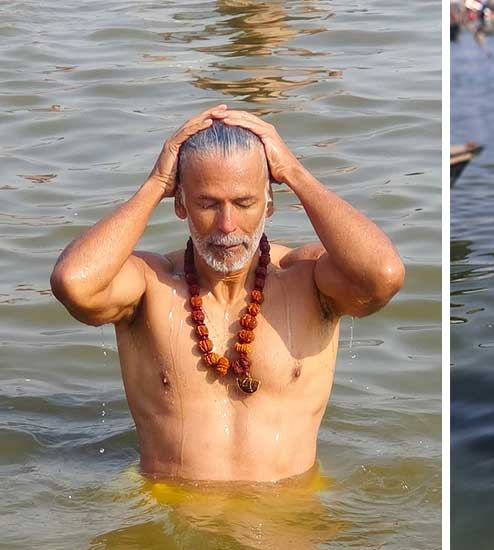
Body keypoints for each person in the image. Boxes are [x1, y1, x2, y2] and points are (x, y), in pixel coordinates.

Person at [50, 106, 405, 482]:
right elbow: (75, 283)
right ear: (181, 204)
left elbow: (382, 275)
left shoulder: (306, 279)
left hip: (285, 518)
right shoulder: (150, 285)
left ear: (269, 202)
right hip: (173, 512)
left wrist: (293, 172)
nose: (227, 225)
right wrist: (155, 183)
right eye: (207, 204)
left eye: (244, 202)